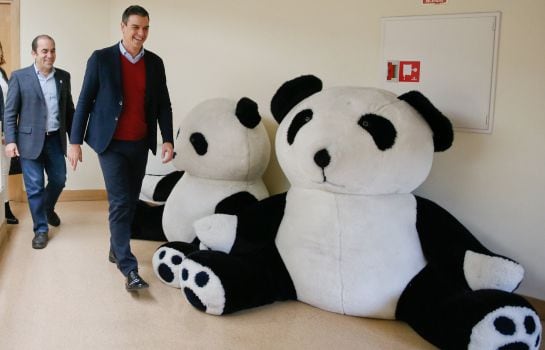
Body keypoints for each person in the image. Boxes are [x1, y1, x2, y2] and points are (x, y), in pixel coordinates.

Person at [68, 5, 174, 291]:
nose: (141, 33)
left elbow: (163, 103)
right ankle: (129, 268)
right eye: (136, 27)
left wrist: (167, 139)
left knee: (129, 200)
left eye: (146, 28)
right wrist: (74, 142)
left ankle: (116, 247)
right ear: (123, 27)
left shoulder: (155, 63)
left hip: (139, 143)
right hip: (110, 144)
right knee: (119, 201)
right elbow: (85, 100)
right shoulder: (101, 59)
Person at [3, 35, 75, 249]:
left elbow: (69, 111)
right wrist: (10, 140)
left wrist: (75, 141)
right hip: (28, 141)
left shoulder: (63, 77)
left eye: (52, 50)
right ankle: (41, 229)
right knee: (34, 187)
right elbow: (10, 113)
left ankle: (47, 208)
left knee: (59, 179)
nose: (49, 55)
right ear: (34, 53)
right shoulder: (19, 77)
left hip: (54, 140)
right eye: (44, 51)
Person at [0, 40, 20, 225]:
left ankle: (5, 209)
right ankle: (4, 210)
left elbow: (8, 104)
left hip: (5, 129)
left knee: (4, 171)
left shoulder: (2, 72)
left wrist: (8, 130)